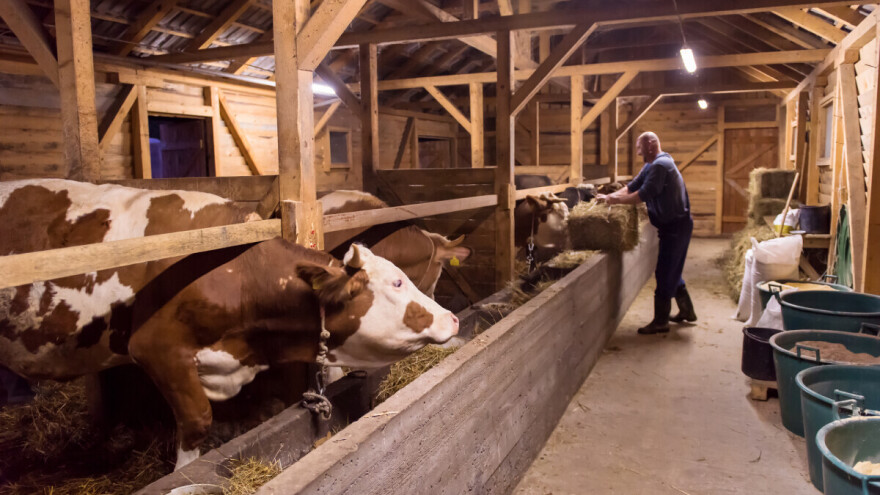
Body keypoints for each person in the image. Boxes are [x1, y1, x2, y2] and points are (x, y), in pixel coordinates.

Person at [597, 131, 696, 334]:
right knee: (671, 268)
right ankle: (687, 312)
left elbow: (642, 195)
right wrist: (607, 197)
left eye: (640, 147)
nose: (638, 152)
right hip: (672, 226)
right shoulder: (653, 164)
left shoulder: (660, 165)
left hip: (676, 226)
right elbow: (632, 187)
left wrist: (613, 201)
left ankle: (661, 322)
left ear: (651, 144)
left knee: (664, 271)